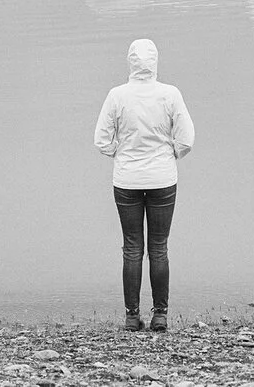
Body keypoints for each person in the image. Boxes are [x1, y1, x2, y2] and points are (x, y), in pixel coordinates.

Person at [93, 38, 195, 332]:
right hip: (163, 178)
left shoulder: (117, 96)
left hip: (126, 179)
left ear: (130, 63)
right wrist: (172, 154)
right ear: (155, 63)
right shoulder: (170, 94)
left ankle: (131, 316)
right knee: (159, 248)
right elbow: (186, 138)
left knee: (132, 248)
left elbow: (100, 139)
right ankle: (160, 315)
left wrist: (120, 154)